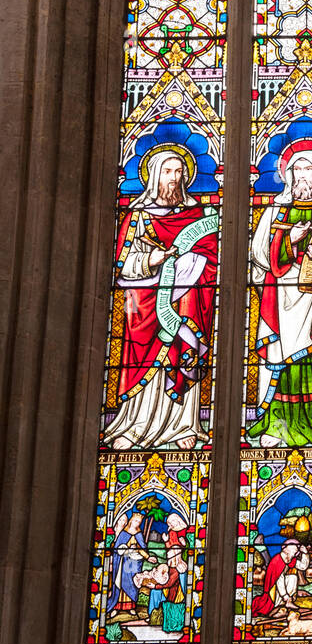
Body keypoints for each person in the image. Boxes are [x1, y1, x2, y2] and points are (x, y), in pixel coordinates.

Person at [103, 150, 218, 451]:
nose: (175, 178)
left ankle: (183, 426)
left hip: (184, 302)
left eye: (180, 172)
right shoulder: (138, 216)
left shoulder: (200, 216)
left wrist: (189, 262)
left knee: (184, 352)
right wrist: (152, 259)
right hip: (144, 305)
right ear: (155, 176)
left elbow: (213, 257)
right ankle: (135, 424)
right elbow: (123, 264)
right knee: (145, 362)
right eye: (168, 172)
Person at [248, 141, 312, 447]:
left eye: (308, 170)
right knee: (283, 359)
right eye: (296, 170)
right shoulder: (274, 211)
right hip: (281, 298)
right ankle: (277, 424)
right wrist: (290, 242)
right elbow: (258, 255)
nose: (301, 177)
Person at [251, 539, 311, 618]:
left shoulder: (288, 559)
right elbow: (280, 582)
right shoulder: (277, 561)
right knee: (287, 579)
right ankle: (282, 605)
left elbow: (302, 566)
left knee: (293, 577)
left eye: (296, 553)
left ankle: (287, 603)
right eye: (294, 553)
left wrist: (305, 554)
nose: (295, 555)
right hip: (272, 592)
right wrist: (286, 597)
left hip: (280, 592)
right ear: (286, 551)